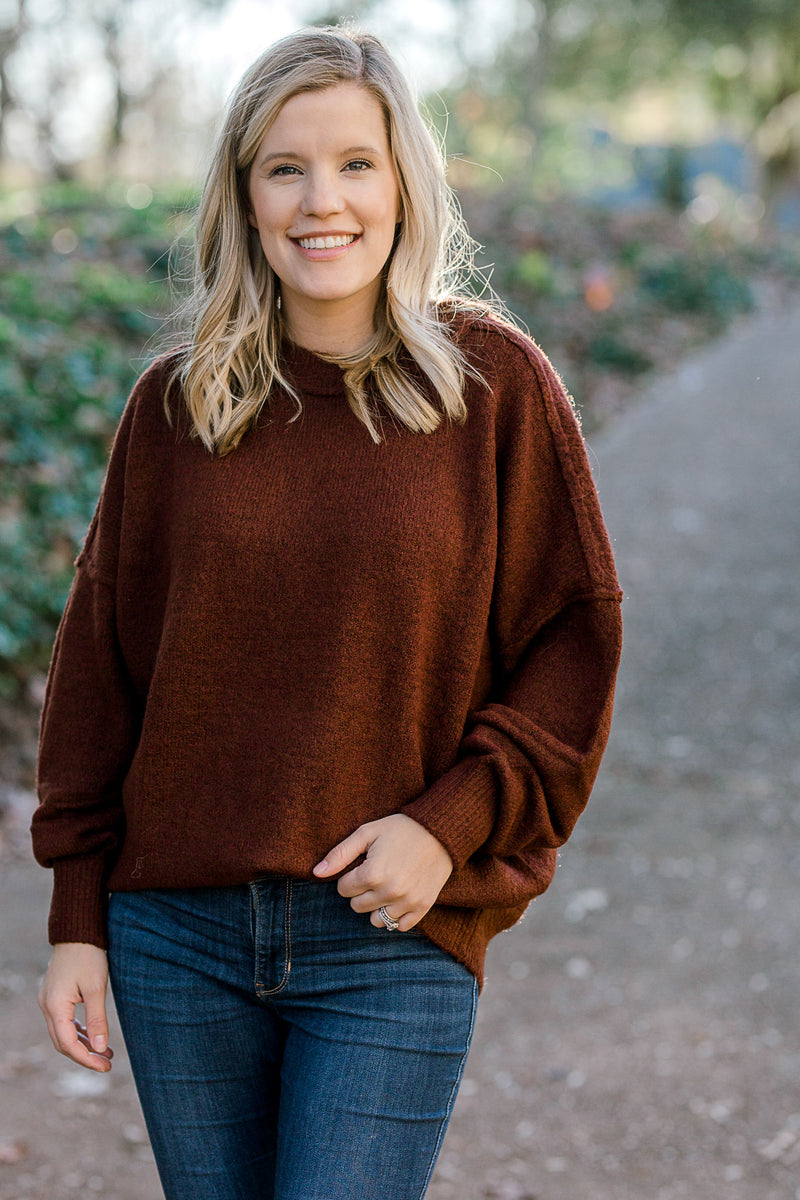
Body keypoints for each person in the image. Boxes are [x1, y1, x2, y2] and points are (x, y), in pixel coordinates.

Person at [31, 24, 623, 1200]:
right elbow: (101, 668)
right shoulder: (176, 408)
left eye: (355, 162)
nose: (322, 200)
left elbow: (573, 635)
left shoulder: (492, 388)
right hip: (176, 936)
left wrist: (449, 821)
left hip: (390, 938)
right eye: (284, 168)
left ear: (403, 181)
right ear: (244, 198)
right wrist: (75, 917)